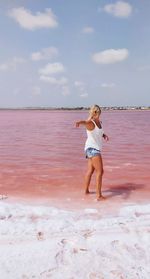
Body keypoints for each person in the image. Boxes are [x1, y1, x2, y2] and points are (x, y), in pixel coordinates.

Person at [76, 104, 109, 201]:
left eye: (98, 112)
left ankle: (86, 191)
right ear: (93, 112)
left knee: (90, 171)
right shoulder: (91, 122)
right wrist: (79, 122)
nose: (98, 113)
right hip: (93, 149)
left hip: (91, 149)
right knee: (100, 171)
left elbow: (100, 132)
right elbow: (85, 122)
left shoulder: (99, 122)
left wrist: (104, 136)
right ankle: (99, 196)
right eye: (96, 112)